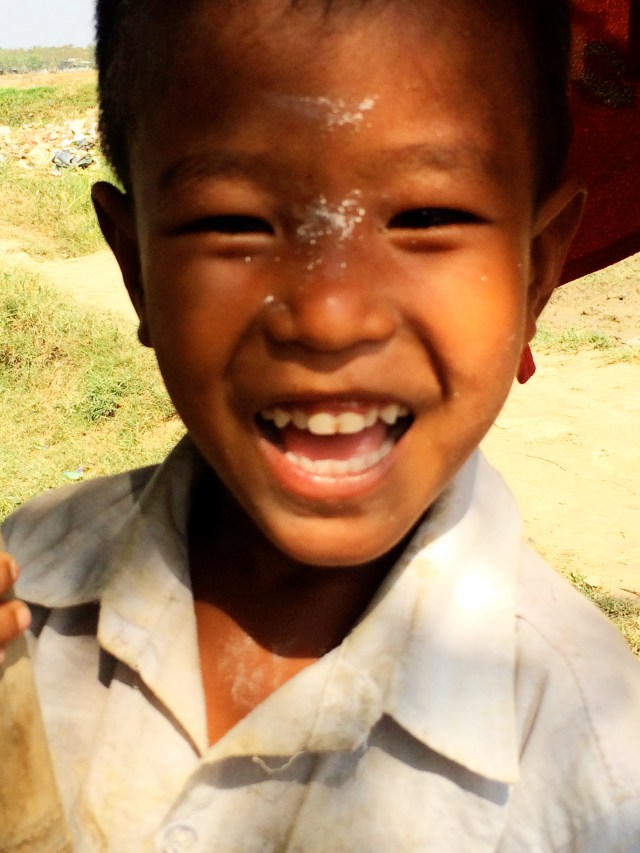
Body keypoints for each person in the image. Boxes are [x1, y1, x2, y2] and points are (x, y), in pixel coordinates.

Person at [1, 0, 640, 849]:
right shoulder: (28, 586)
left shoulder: (598, 775)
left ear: (538, 267)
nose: (330, 318)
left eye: (425, 217)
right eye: (233, 221)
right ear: (135, 266)